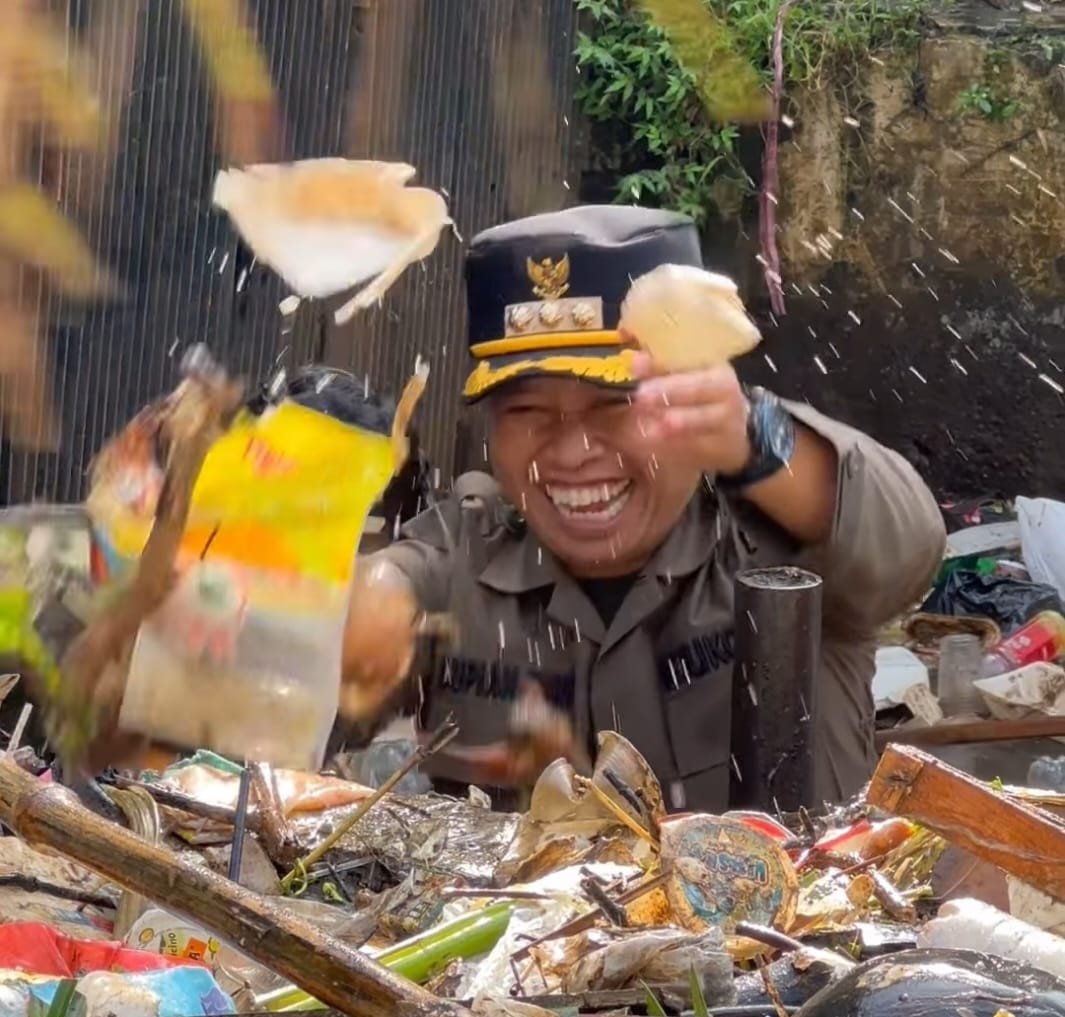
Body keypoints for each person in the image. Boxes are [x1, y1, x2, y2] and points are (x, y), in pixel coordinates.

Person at [340, 206, 946, 811]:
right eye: (528, 412)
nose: (573, 452)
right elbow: (366, 617)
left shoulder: (776, 542)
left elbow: (907, 552)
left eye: (615, 404)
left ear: (693, 401)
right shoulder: (467, 553)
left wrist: (757, 436)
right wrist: (358, 601)